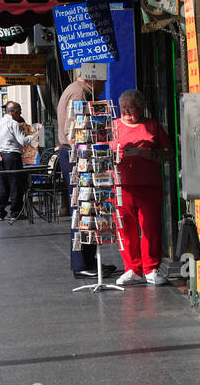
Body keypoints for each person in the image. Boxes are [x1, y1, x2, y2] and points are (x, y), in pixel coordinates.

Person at [56, 72, 117, 280]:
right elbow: (73, 131)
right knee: (83, 211)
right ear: (93, 78)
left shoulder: (78, 90)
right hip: (77, 156)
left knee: (89, 211)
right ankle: (82, 264)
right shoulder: (79, 93)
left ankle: (90, 261)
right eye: (103, 81)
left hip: (77, 155)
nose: (103, 86)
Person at [113, 89, 171, 286]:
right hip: (122, 187)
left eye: (131, 107)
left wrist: (148, 154)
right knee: (125, 229)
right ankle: (132, 268)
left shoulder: (152, 126)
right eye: (123, 108)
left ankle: (151, 268)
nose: (126, 111)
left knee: (150, 228)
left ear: (141, 108)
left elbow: (168, 153)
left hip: (148, 186)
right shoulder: (113, 127)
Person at [0, 101, 29, 223]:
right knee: (15, 185)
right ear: (15, 111)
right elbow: (22, 141)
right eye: (20, 111)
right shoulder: (13, 123)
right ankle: (15, 213)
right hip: (13, 156)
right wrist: (34, 135)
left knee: (4, 185)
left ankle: (0, 213)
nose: (21, 113)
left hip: (2, 156)